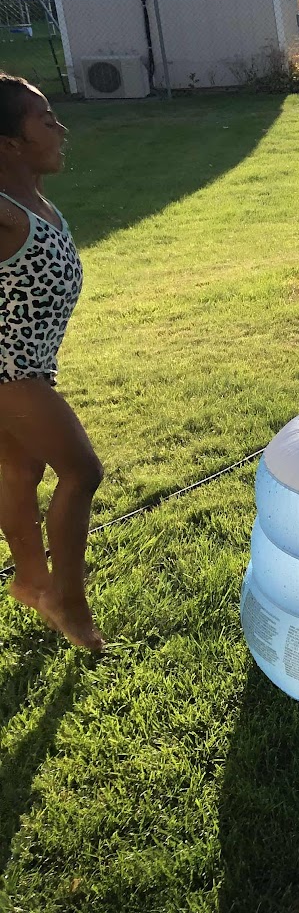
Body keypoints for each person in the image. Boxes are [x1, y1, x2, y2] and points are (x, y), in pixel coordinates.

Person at [0, 74, 103, 650]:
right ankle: (68, 602)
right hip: (8, 373)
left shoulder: (29, 201)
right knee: (82, 471)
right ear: (10, 143)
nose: (60, 129)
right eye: (45, 121)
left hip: (28, 367)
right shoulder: (4, 210)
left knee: (21, 471)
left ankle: (30, 581)